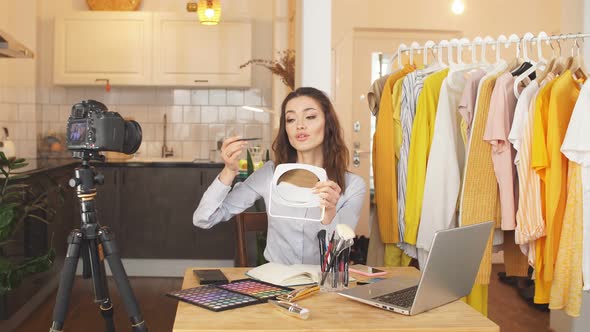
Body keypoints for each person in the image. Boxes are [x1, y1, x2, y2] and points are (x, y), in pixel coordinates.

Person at [193, 87, 366, 265]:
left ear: (328, 124)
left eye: (310, 116)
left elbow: (339, 251)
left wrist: (329, 213)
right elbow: (204, 219)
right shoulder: (269, 174)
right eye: (291, 119)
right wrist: (228, 171)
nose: (300, 125)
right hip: (275, 283)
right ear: (286, 129)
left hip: (323, 284)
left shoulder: (353, 185)